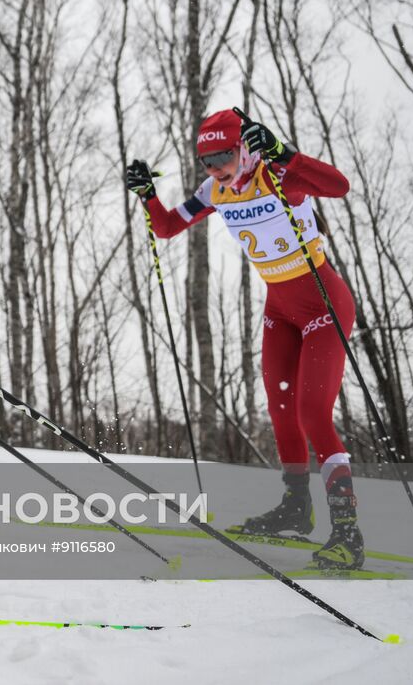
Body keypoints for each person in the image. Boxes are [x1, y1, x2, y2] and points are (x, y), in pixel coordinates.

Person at [125, 109, 364, 570]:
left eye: (222, 155)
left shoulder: (279, 176)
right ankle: (296, 507)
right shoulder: (215, 190)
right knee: (280, 411)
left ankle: (347, 532)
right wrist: (148, 196)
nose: (214, 167)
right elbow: (168, 227)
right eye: (205, 160)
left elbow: (338, 186)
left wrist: (287, 155)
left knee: (313, 414)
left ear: (244, 148)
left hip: (322, 305)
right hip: (280, 310)